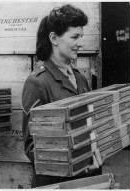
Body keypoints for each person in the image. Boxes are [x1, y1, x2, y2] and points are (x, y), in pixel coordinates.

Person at [22, 4, 104, 188]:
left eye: (81, 37)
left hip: (85, 181)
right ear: (54, 38)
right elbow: (31, 146)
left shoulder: (80, 79)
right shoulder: (37, 83)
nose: (80, 43)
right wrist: (76, 163)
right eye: (74, 37)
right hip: (55, 184)